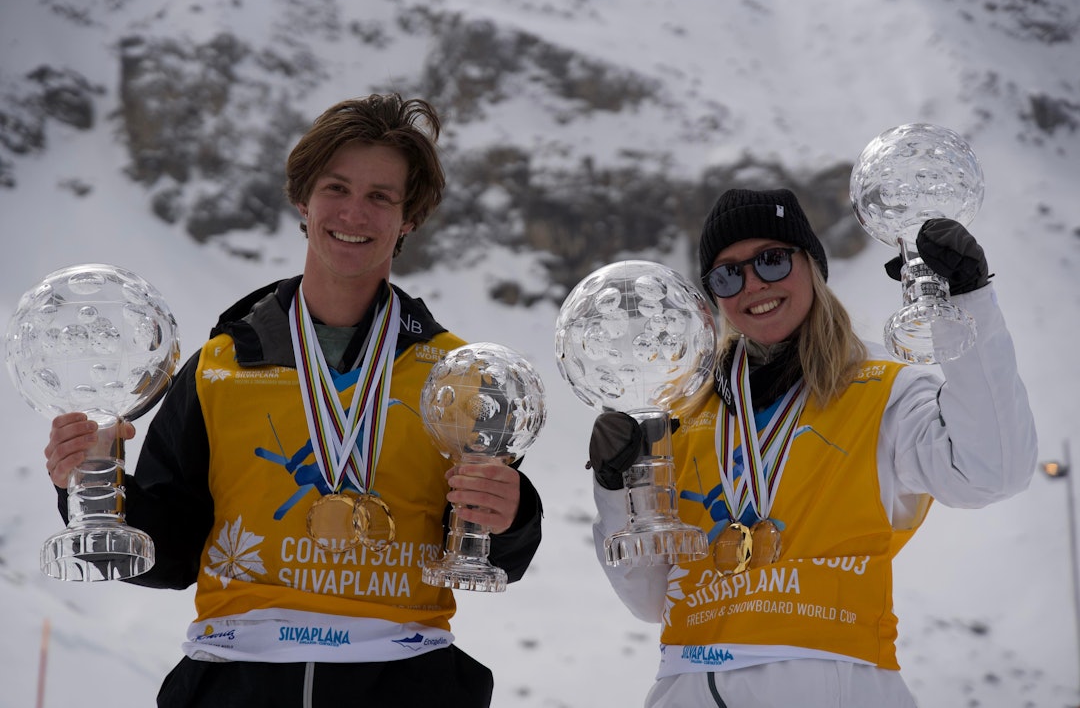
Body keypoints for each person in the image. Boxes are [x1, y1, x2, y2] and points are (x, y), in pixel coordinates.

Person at [43, 93, 543, 708]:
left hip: (402, 681)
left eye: (381, 196)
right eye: (336, 188)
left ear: (408, 218)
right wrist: (88, 482)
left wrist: (511, 515)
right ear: (303, 201)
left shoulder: (457, 377)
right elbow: (167, 557)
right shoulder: (219, 368)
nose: (354, 212)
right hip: (236, 677)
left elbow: (494, 553)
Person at [587, 187, 1037, 707]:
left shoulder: (881, 390)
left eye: (772, 261)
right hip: (688, 684)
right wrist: (616, 484)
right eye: (727, 274)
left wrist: (966, 301)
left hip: (832, 680)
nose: (753, 284)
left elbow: (992, 470)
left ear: (812, 267)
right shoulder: (680, 416)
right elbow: (647, 598)